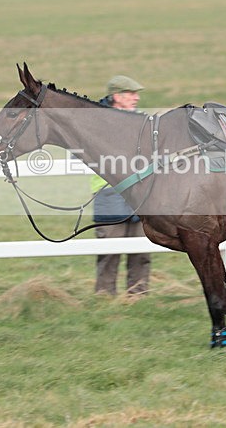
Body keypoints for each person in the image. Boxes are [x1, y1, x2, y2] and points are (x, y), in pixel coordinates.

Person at [91, 75, 150, 296]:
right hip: (109, 194)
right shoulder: (99, 123)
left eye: (136, 94)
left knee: (142, 250)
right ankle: (105, 298)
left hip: (141, 196)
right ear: (116, 96)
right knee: (109, 251)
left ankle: (139, 296)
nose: (136, 98)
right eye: (130, 94)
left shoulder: (143, 122)